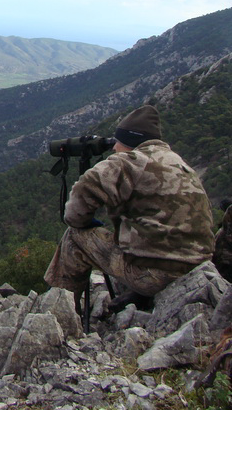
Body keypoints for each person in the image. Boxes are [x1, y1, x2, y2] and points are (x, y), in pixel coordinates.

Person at [44, 105, 214, 310]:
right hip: (199, 269)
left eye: (119, 143)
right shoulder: (178, 162)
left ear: (130, 143)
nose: (114, 148)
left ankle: (60, 311)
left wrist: (84, 222)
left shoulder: (128, 162)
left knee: (74, 235)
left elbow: (74, 212)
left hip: (154, 276)